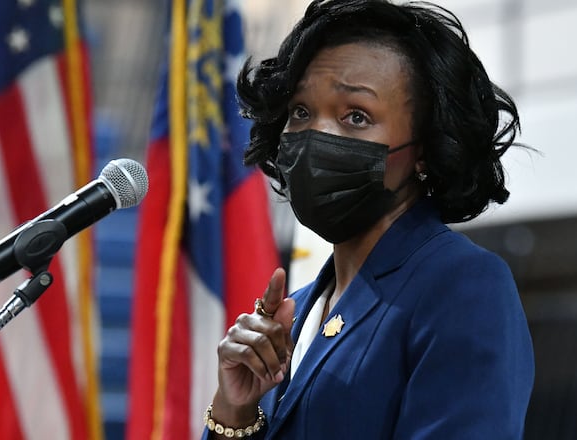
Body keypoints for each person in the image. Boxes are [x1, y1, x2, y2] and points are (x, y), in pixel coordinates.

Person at [202, 0, 534, 438]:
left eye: (356, 116)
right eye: (301, 111)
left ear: (424, 151)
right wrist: (235, 409)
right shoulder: (295, 312)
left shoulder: (462, 285)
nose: (316, 135)